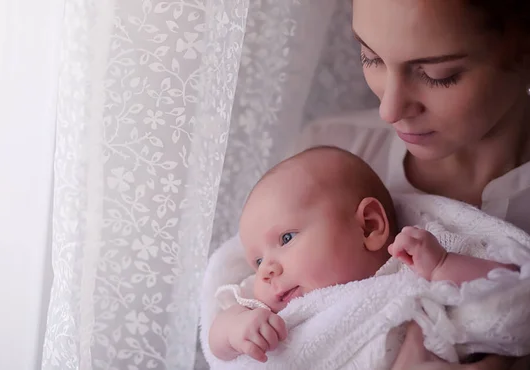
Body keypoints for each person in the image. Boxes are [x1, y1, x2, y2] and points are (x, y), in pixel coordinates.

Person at [204, 0, 530, 369]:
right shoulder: (322, 160)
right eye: (371, 57)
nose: (389, 110)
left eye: (438, 74)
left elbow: (514, 299)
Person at [208, 146, 519, 365]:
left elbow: (510, 292)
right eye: (258, 261)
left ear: (368, 227)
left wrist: (443, 265)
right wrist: (235, 331)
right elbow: (218, 339)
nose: (266, 271)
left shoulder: (414, 265)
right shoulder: (263, 312)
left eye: (286, 238)